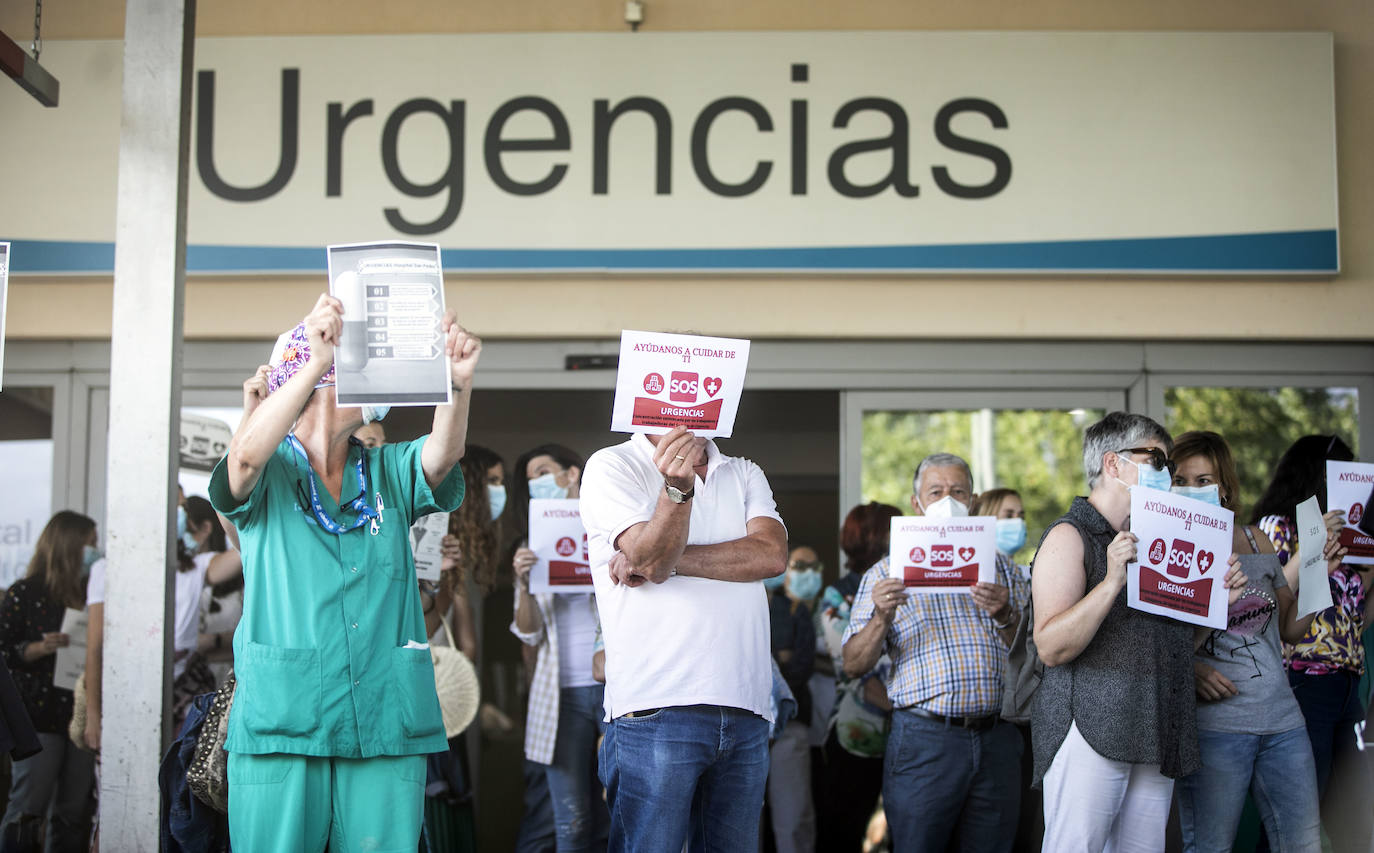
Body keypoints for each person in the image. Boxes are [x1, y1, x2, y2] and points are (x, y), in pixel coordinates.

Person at [207, 294, 479, 851]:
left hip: (384, 716)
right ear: (326, 380)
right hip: (285, 721)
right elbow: (242, 461)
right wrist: (311, 363)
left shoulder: (384, 468)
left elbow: (442, 457)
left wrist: (457, 386)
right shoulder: (271, 474)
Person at [1031, 412, 1246, 852]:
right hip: (1088, 728)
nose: (1166, 473)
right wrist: (1111, 581)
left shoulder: (1155, 537)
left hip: (1153, 725)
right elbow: (1050, 647)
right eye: (1155, 460)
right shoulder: (1069, 535)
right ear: (1112, 464)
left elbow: (1174, 647)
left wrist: (1218, 604)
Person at [580, 425, 788, 852]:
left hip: (746, 707)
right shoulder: (611, 464)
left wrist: (667, 562)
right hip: (656, 707)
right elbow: (648, 556)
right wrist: (676, 491)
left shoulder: (744, 470)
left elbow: (770, 555)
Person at [842, 454, 1029, 853]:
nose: (949, 500)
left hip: (998, 736)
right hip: (925, 740)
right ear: (917, 504)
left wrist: (1005, 613)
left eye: (958, 492)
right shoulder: (885, 574)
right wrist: (881, 616)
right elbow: (853, 664)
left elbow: (1036, 657)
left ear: (974, 501)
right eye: (937, 492)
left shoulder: (1007, 572)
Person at [1171, 430, 1331, 853]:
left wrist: (1319, 570)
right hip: (1216, 729)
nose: (1191, 490)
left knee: (1304, 845)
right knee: (1210, 847)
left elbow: (1290, 629)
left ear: (1224, 485)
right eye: (1180, 480)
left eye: (1203, 480)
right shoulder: (1164, 549)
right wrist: (1213, 619)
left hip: (1283, 722)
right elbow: (1160, 645)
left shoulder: (1256, 539)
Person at [1249, 435, 1373, 807]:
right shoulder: (1278, 528)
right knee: (1295, 813)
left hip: (1348, 685)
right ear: (1316, 476)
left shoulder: (1348, 541)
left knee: (1353, 813)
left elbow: (1353, 622)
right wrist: (1314, 541)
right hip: (1302, 682)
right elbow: (1269, 595)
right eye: (1339, 475)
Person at [507, 444, 610, 852]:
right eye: (530, 479)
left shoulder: (614, 528)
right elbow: (528, 634)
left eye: (543, 472)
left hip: (616, 689)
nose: (536, 483)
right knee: (571, 822)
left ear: (573, 474)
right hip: (560, 694)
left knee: (624, 807)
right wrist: (522, 584)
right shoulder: (532, 546)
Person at [0, 510, 99, 852]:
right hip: (37, 717)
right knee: (28, 809)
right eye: (90, 544)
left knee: (74, 813)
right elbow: (4, 649)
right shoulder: (24, 593)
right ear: (68, 545)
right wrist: (38, 648)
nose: (95, 552)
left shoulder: (92, 593)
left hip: (80, 715)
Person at [814, 502, 900, 853]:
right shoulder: (840, 595)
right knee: (844, 834)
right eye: (895, 530)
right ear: (874, 537)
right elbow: (851, 672)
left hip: (907, 739)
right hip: (856, 736)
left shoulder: (907, 586)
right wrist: (908, 705)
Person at [967, 487, 1039, 852]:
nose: (1018, 523)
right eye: (1008, 515)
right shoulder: (956, 570)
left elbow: (1033, 650)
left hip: (1012, 725)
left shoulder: (1025, 576)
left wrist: (1007, 613)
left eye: (1021, 515)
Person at [766, 545, 819, 853]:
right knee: (740, 820)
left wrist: (774, 662)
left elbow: (801, 664)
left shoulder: (795, 610)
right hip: (741, 722)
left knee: (794, 817)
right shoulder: (730, 604)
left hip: (790, 721)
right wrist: (778, 658)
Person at [971, 488, 1028, 574]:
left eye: (1021, 517)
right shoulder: (976, 572)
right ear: (986, 516)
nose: (1018, 521)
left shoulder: (1024, 575)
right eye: (1008, 516)